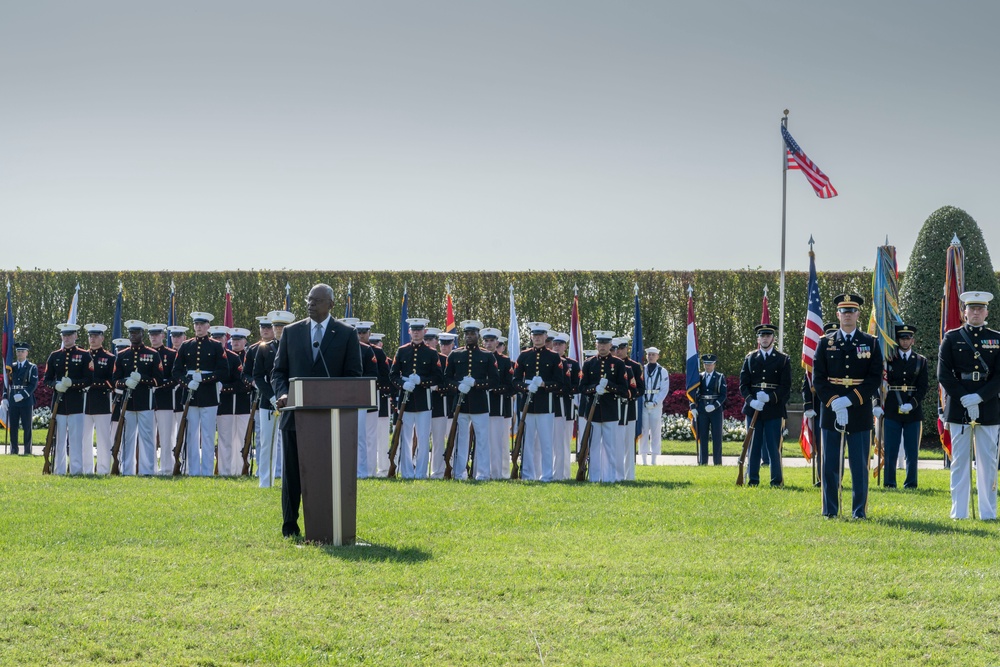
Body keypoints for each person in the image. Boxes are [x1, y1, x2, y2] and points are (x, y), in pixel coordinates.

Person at [271, 283, 363, 538]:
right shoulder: (291, 332)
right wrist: (282, 393)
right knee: (292, 474)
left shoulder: (346, 334)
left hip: (331, 421)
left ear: (331, 304)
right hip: (295, 417)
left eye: (317, 300)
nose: (311, 304)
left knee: (327, 474)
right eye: (309, 300)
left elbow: (353, 376)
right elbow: (278, 372)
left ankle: (329, 523)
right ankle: (290, 526)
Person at [813, 294, 882, 519]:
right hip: (831, 410)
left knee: (859, 465)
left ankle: (858, 511)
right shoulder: (825, 343)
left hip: (859, 410)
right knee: (830, 464)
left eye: (852, 311)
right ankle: (830, 510)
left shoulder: (870, 342)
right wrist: (835, 403)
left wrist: (850, 400)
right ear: (838, 315)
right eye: (844, 311)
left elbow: (874, 379)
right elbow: (819, 379)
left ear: (858, 314)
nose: (848, 315)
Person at [938, 291, 1000, 520]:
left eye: (980, 309)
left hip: (989, 404)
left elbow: (998, 376)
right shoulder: (952, 338)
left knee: (988, 461)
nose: (975, 312)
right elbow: (943, 374)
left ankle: (988, 512)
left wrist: (980, 397)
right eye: (971, 308)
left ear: (986, 312)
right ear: (964, 312)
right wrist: (965, 398)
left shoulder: (997, 338)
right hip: (958, 405)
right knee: (960, 461)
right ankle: (959, 512)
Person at [171, 312, 230, 476]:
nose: (198, 327)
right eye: (196, 324)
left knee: (208, 434)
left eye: (202, 324)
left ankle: (207, 471)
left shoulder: (216, 346)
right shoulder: (185, 345)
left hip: (209, 395)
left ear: (208, 327)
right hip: (190, 394)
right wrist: (186, 382)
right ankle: (193, 470)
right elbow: (176, 371)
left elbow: (223, 371)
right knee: (191, 434)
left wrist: (204, 378)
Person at [444, 320, 500, 480]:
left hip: (480, 404)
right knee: (461, 440)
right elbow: (446, 379)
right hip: (460, 405)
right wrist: (457, 386)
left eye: (472, 334)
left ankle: (483, 473)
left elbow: (495, 380)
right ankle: (459, 472)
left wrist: (477, 383)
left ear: (477, 335)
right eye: (467, 334)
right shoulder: (455, 355)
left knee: (482, 441)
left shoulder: (487, 355)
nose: (469, 337)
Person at [389, 318, 443, 480]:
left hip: (423, 401)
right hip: (405, 401)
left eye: (419, 330)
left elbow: (438, 377)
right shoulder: (402, 351)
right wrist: (402, 384)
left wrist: (422, 381)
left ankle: (420, 473)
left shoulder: (431, 353)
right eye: (414, 329)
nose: (416, 332)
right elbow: (392, 375)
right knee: (405, 438)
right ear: (409, 331)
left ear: (424, 332)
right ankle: (406, 472)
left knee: (423, 439)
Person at [739, 323, 792, 487]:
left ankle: (776, 480)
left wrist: (770, 398)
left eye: (768, 336)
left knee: (773, 446)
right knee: (753, 446)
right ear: (758, 339)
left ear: (773, 338)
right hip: (754, 407)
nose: (765, 339)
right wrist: (751, 401)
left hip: (773, 409)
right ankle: (753, 479)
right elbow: (743, 385)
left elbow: (785, 387)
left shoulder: (782, 359)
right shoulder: (750, 358)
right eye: (762, 336)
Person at [512, 322, 565, 482]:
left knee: (546, 443)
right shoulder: (524, 355)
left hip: (545, 405)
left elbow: (559, 382)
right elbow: (515, 380)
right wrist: (526, 386)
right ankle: (527, 474)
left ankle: (547, 475)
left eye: (540, 336)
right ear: (531, 337)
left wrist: (543, 384)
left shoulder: (554, 357)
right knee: (527, 442)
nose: (537, 338)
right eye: (534, 336)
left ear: (545, 337)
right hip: (527, 406)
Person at [113, 321, 164, 475]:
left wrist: (142, 379)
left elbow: (159, 379)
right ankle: (126, 470)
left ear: (142, 334)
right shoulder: (122, 355)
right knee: (127, 438)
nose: (133, 336)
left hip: (145, 402)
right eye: (131, 333)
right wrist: (125, 382)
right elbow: (115, 380)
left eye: (136, 333)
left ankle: (148, 470)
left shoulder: (153, 354)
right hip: (127, 403)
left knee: (147, 439)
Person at [881, 323, 928, 489]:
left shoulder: (921, 361)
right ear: (897, 340)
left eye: (908, 338)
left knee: (912, 450)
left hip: (913, 409)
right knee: (891, 448)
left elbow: (923, 387)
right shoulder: (888, 360)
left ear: (913, 340)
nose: (905, 341)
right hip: (893, 406)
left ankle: (911, 482)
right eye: (902, 338)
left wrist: (912, 404)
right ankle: (889, 482)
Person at [44, 323, 94, 475]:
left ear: (76, 336)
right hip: (58, 404)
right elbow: (47, 379)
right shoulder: (54, 355)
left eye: (69, 335)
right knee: (58, 440)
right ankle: (58, 470)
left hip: (76, 403)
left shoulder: (85, 355)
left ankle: (76, 470)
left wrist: (73, 384)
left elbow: (89, 379)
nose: (66, 338)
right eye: (64, 336)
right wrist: (55, 385)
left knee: (75, 440)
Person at [579, 331, 629, 483]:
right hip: (593, 412)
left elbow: (624, 389)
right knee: (593, 448)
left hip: (610, 411)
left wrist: (609, 387)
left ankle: (610, 478)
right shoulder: (588, 363)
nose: (602, 347)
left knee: (610, 448)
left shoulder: (619, 364)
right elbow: (582, 387)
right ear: (596, 345)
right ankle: (594, 477)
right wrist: (594, 388)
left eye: (605, 344)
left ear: (610, 345)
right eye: (600, 344)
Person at [802, 322, 839, 487]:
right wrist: (808, 406)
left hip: (839, 407)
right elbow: (807, 385)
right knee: (820, 447)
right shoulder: (818, 357)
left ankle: (837, 480)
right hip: (819, 409)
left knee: (836, 448)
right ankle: (821, 478)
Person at [213, 326, 251, 475]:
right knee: (224, 439)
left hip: (242, 403)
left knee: (241, 439)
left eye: (238, 339)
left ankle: (241, 469)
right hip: (225, 404)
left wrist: (225, 388)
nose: (235, 342)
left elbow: (244, 382)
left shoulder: (245, 356)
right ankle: (224, 470)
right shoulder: (220, 356)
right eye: (233, 339)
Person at [482, 328, 514, 480]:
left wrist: (494, 388)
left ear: (497, 342)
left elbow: (510, 385)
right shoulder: (479, 357)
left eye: (492, 341)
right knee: (483, 442)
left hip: (498, 406)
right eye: (486, 341)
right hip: (480, 406)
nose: (489, 344)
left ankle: (500, 473)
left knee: (499, 443)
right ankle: (482, 472)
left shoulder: (504, 361)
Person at [83, 323, 115, 473]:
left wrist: (93, 383)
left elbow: (112, 381)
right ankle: (86, 468)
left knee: (103, 439)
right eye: (91, 336)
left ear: (102, 338)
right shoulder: (83, 355)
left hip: (102, 402)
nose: (93, 339)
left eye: (96, 336)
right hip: (84, 402)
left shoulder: (109, 358)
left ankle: (103, 469)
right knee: (84, 438)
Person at [147, 324, 178, 475]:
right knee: (149, 437)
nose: (153, 337)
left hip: (165, 399)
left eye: (157, 334)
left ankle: (167, 468)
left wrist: (161, 384)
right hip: (147, 400)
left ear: (163, 336)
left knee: (166, 437)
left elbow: (176, 376)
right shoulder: (145, 353)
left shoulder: (171, 354)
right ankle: (150, 468)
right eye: (151, 335)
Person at [551, 332, 580, 480]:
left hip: (565, 406)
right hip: (549, 406)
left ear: (565, 346)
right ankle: (551, 473)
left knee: (563, 443)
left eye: (560, 344)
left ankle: (564, 474)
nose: (556, 347)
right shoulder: (547, 361)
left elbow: (577, 385)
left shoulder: (572, 364)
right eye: (554, 344)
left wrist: (563, 389)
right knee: (549, 444)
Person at [691, 354, 727, 466]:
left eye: (710, 364)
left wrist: (715, 405)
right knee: (703, 436)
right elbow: (692, 392)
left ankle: (717, 462)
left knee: (717, 436)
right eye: (706, 364)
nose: (708, 366)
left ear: (714, 364)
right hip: (702, 409)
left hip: (715, 410)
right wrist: (693, 407)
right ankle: (703, 462)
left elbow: (723, 395)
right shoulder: (699, 377)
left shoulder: (720, 377)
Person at [367, 332, 393, 477]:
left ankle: (383, 468)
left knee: (382, 438)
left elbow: (387, 379)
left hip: (381, 402)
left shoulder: (385, 359)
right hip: (366, 401)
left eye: (376, 342)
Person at [6, 342, 38, 455]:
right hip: (13, 399)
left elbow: (33, 384)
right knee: (13, 426)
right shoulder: (11, 367)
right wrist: (5, 397)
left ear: (27, 353)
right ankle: (14, 450)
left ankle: (27, 450)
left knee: (27, 427)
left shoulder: (31, 367)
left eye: (22, 351)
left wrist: (23, 395)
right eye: (18, 351)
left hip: (26, 400)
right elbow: (7, 383)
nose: (20, 354)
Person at [639, 346, 669, 466]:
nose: (651, 356)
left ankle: (654, 459)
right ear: (646, 356)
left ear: (657, 356)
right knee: (644, 431)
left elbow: (664, 389)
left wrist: (656, 402)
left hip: (656, 405)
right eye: (649, 354)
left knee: (656, 431)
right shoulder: (642, 369)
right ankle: (644, 458)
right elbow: (639, 386)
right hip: (644, 404)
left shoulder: (663, 371)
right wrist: (644, 401)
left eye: (653, 354)